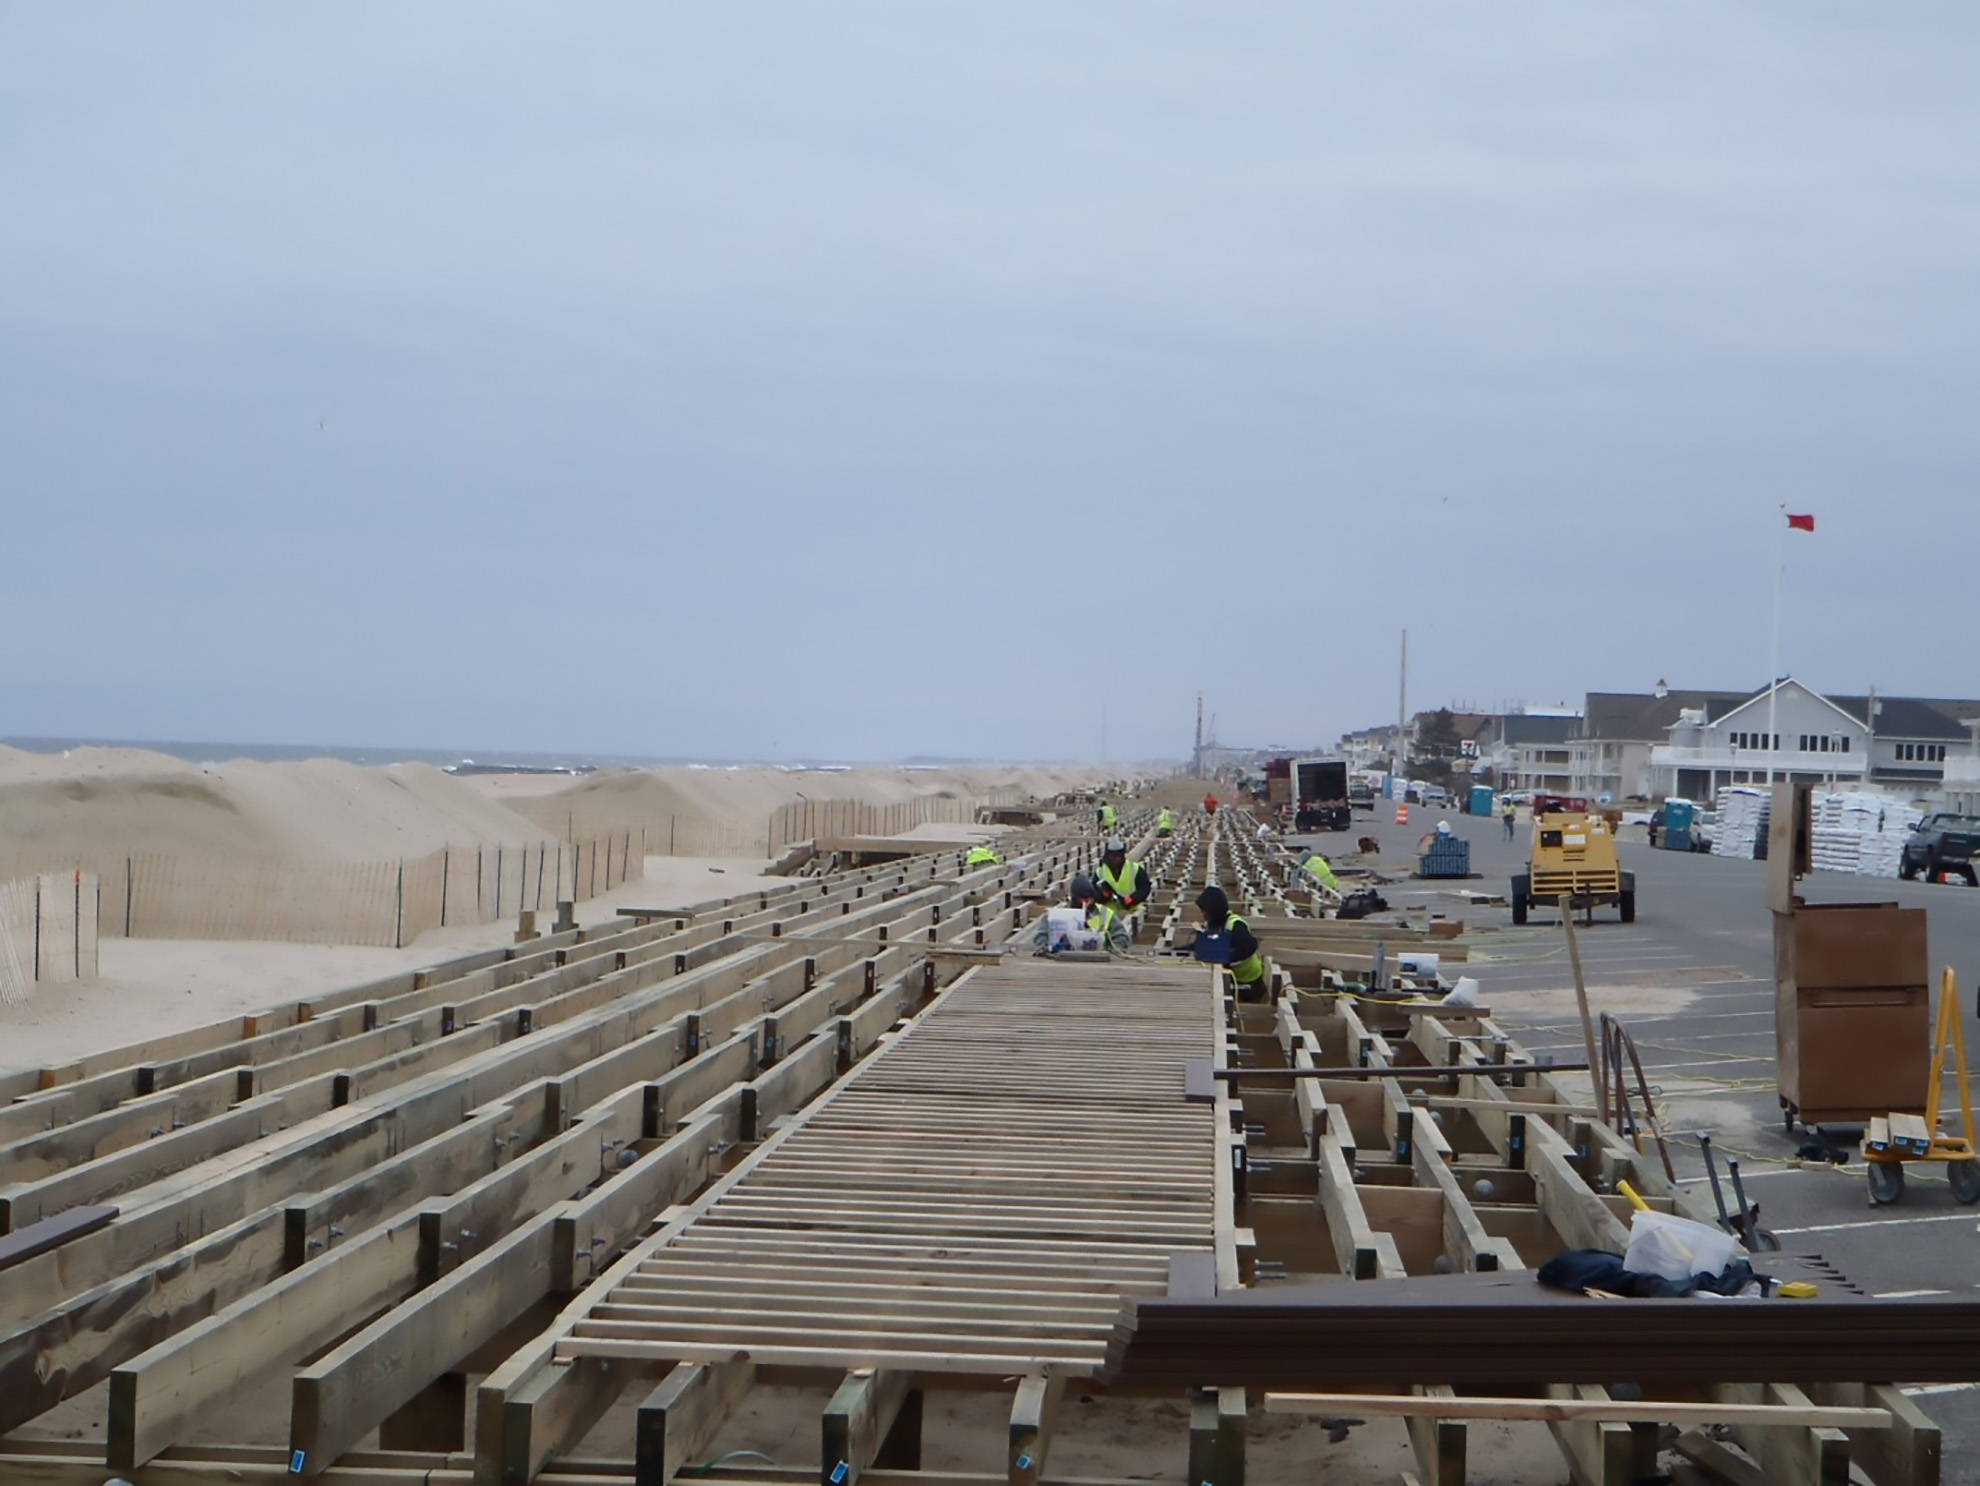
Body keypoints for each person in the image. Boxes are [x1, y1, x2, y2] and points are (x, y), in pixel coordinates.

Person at [1185, 885, 1266, 1001]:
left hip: (1248, 982)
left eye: (1205, 911)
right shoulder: (1211, 925)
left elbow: (1250, 946)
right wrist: (1181, 950)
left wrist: (1225, 957)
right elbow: (1204, 945)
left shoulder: (1235, 924)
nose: (1203, 915)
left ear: (1214, 909)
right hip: (1229, 977)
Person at [1032, 873, 1131, 955]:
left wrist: (1114, 952)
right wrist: (1044, 947)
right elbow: (1041, 935)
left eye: (1090, 898)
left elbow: (1121, 936)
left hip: (1098, 961)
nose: (1087, 902)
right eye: (1083, 899)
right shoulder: (1058, 915)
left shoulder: (1105, 914)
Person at [1095, 839, 1152, 917]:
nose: (1117, 859)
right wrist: (1104, 896)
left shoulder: (1134, 868)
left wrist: (1133, 898)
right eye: (1113, 856)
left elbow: (1145, 887)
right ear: (1108, 856)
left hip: (1132, 911)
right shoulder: (1100, 872)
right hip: (1109, 915)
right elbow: (1093, 893)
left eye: (1119, 856)